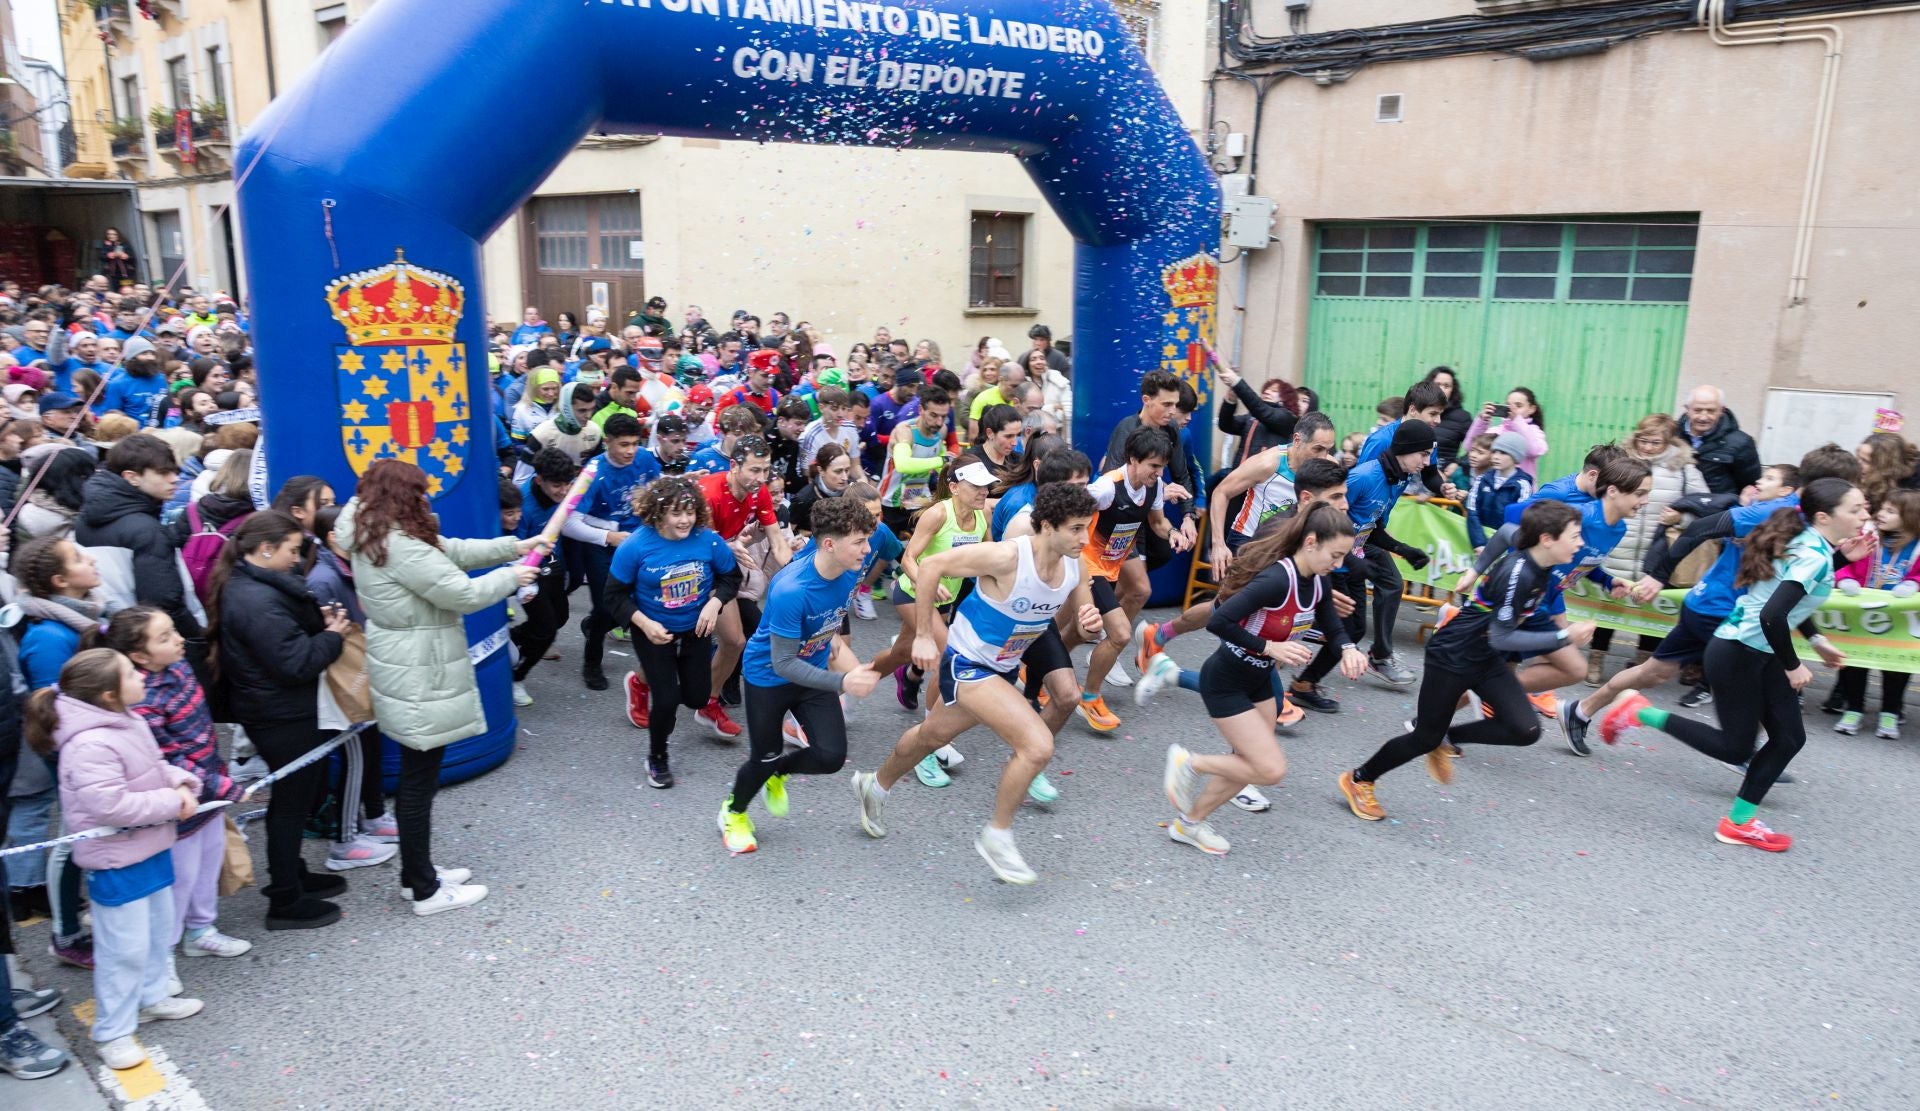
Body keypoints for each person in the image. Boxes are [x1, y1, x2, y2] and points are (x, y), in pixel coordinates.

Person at [1596, 479, 1869, 852]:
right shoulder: (1813, 554)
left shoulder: (1812, 543)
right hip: (1739, 651)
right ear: (1824, 516)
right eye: (1856, 509)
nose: (1864, 515)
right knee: (1735, 749)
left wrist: (1820, 634)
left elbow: (1788, 601)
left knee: (1789, 738)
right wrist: (1793, 665)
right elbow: (1773, 615)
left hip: (1757, 649)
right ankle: (1639, 711)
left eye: (1864, 507)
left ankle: (1739, 822)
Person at [853, 483, 1101, 884]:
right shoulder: (1006, 556)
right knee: (1037, 746)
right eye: (1075, 528)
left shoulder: (1076, 565)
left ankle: (874, 785)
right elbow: (931, 567)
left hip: (1001, 667)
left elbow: (1085, 605)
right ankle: (997, 835)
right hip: (967, 664)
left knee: (930, 736)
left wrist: (1091, 621)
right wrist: (920, 634)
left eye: (1086, 527)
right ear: (1048, 526)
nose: (1084, 538)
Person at [335, 461, 544, 916]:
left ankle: (418, 876)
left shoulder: (375, 526)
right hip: (418, 666)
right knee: (418, 782)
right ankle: (424, 889)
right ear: (400, 496)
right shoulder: (399, 544)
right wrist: (515, 576)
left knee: (418, 777)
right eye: (419, 492)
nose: (426, 499)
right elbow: (461, 593)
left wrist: (516, 546)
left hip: (408, 658)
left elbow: (452, 550)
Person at [1562, 446, 1862, 739]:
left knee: (1653, 673)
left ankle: (1580, 711)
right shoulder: (1774, 513)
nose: (1860, 507)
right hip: (1724, 611)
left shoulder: (1811, 527)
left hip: (1720, 608)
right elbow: (1699, 528)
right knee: (1766, 686)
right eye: (1853, 498)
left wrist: (1838, 566)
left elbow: (1791, 588)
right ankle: (1744, 751)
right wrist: (1658, 576)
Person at [1338, 501, 1591, 823]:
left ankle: (1450, 737)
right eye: (1575, 536)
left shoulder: (1528, 544)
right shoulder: (1519, 575)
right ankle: (1359, 779)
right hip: (1452, 656)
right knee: (1424, 737)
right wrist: (1564, 638)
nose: (1580, 543)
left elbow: (1504, 533)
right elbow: (1502, 637)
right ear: (1547, 539)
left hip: (1484, 657)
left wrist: (1474, 571)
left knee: (1525, 729)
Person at [1157, 503, 1368, 855]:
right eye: (1335, 554)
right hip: (1226, 679)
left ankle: (1189, 824)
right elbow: (1218, 621)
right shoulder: (1276, 580)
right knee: (1269, 769)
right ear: (1311, 542)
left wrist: (1347, 648)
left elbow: (1331, 620)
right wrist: (1269, 646)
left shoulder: (1317, 580)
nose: (1339, 563)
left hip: (1257, 681)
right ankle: (1190, 763)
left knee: (1246, 764)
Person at [32, 648, 204, 1072]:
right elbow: (111, 805)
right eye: (131, 673)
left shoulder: (128, 719)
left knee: (155, 933)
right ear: (109, 695)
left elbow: (154, 767)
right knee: (121, 949)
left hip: (149, 847)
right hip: (116, 858)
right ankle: (112, 1031)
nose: (141, 676)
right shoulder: (89, 743)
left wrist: (180, 781)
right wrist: (172, 801)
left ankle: (151, 997)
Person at [207, 512, 352, 930]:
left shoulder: (254, 587)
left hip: (280, 710)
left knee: (297, 801)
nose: (297, 558)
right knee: (290, 805)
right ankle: (285, 899)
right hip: (282, 715)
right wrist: (332, 637)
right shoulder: (255, 600)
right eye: (292, 550)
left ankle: (292, 874)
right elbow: (293, 663)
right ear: (265, 550)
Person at [717, 497, 880, 855]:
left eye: (866, 540)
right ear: (830, 544)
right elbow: (785, 664)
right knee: (764, 756)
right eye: (859, 542)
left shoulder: (850, 564)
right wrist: (844, 681)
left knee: (830, 756)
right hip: (769, 676)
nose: (867, 549)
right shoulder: (793, 590)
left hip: (812, 671)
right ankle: (733, 812)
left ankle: (780, 771)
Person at [105, 606, 250, 960]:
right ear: (139, 656)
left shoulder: (180, 666)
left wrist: (217, 779)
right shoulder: (142, 701)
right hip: (180, 800)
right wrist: (218, 784)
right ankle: (163, 954)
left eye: (174, 631)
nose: (179, 639)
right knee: (180, 878)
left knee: (208, 863)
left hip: (209, 790)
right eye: (165, 637)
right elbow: (167, 759)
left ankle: (201, 930)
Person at [9, 537, 108, 967]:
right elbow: (58, 709)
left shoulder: (81, 616)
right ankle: (65, 934)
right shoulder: (50, 637)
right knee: (73, 839)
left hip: (98, 744)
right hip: (75, 752)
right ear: (60, 581)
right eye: (81, 559)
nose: (92, 561)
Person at [607, 477, 742, 788]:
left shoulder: (708, 541)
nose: (685, 520)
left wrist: (714, 604)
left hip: (695, 629)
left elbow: (730, 577)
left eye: (690, 512)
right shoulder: (636, 546)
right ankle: (657, 757)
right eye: (676, 513)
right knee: (666, 700)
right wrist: (643, 623)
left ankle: (652, 686)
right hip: (654, 632)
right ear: (658, 512)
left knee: (696, 697)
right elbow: (613, 596)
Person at [869, 460, 995, 745]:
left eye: (985, 485)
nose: (983, 491)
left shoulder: (982, 515)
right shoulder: (938, 514)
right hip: (913, 593)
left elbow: (990, 556)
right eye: (975, 485)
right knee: (945, 658)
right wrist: (930, 582)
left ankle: (848, 690)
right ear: (954, 488)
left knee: (900, 653)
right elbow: (908, 559)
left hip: (944, 600)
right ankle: (931, 738)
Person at [1070, 428, 1179, 731]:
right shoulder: (1105, 488)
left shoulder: (1153, 487)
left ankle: (1036, 666)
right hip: (1088, 566)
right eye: (1153, 466)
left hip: (1112, 565)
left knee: (1077, 630)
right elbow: (1070, 514)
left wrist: (1172, 533)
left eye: (1162, 467)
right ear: (1133, 459)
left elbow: (1157, 523)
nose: (1158, 474)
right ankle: (1089, 698)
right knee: (1118, 634)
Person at [1587, 414, 1704, 683]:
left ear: (1669, 442)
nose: (1648, 447)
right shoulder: (1621, 462)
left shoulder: (1684, 469)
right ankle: (1596, 656)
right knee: (1610, 605)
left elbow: (1705, 511)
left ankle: (1642, 665)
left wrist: (1681, 519)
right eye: (1643, 440)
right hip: (1620, 546)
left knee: (1652, 611)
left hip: (1658, 552)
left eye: (1655, 442)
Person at [697, 435, 792, 737]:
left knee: (735, 641)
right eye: (754, 470)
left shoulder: (758, 491)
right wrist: (729, 545)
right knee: (672, 640)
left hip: (721, 573)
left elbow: (777, 540)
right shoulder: (709, 492)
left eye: (765, 470)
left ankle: (708, 703)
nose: (761, 478)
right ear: (734, 465)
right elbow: (698, 546)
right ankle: (641, 683)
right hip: (688, 568)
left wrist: (797, 576)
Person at [76, 434, 203, 659]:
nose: (175, 479)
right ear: (132, 477)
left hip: (117, 632)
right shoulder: (146, 530)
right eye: (164, 473)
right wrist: (198, 639)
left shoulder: (89, 514)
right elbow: (164, 600)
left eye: (174, 470)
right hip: (153, 641)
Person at [1828, 489, 1919, 738]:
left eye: (1891, 511)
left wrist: (1914, 584)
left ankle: (1890, 712)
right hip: (1859, 614)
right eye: (1882, 509)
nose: (1880, 514)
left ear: (1910, 517)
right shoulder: (1866, 536)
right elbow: (1841, 563)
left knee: (1897, 666)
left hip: (1899, 619)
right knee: (1854, 662)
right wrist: (1844, 580)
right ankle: (1853, 708)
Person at [576, 413, 649, 690]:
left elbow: (655, 492)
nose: (630, 451)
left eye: (634, 443)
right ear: (607, 442)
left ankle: (596, 624)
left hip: (637, 542)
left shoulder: (644, 458)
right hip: (601, 546)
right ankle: (591, 663)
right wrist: (608, 536)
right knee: (607, 605)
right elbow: (570, 522)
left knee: (636, 603)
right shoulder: (592, 472)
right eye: (623, 445)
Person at [1681, 385, 1762, 495]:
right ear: (1687, 409)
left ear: (1722, 410)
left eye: (1711, 411)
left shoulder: (1742, 443)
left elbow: (1750, 486)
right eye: (1698, 410)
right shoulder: (1671, 435)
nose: (1703, 417)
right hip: (1672, 509)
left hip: (1717, 510)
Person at [1466, 431, 1534, 550]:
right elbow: (1472, 510)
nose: (1496, 457)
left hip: (1505, 547)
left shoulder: (1522, 485)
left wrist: (1498, 547)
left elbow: (1519, 520)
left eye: (1503, 453)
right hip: (1479, 547)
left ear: (1515, 457)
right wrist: (1479, 543)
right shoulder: (1482, 479)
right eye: (1494, 452)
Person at [1462, 388, 1549, 479]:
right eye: (1508, 405)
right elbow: (1469, 447)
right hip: (1492, 488)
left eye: (1518, 406)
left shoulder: (1534, 431)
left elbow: (1534, 451)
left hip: (1519, 488)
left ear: (1531, 409)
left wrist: (1517, 421)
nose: (1512, 410)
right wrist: (1482, 421)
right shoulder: (1496, 431)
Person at [788, 442, 855, 537]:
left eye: (847, 470)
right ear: (821, 470)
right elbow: (786, 534)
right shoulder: (804, 499)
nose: (845, 477)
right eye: (838, 471)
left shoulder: (853, 490)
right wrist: (808, 534)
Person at [1421, 365, 1473, 469]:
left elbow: (1477, 448)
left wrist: (1458, 463)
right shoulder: (1418, 410)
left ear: (1452, 390)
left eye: (1446, 386)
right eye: (1437, 384)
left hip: (1442, 473)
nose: (1441, 389)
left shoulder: (1462, 417)